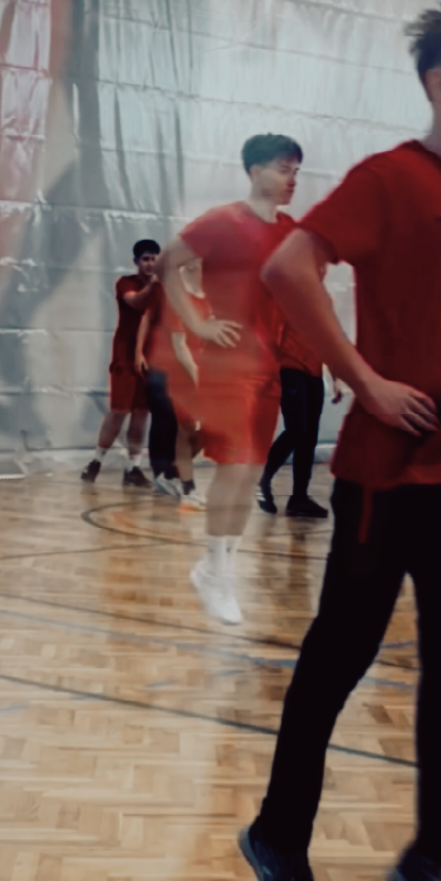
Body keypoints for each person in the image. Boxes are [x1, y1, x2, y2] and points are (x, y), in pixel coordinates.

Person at [237, 0, 441, 881]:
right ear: (439, 84)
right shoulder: (386, 179)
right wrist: (363, 380)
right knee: (337, 660)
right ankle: (278, 836)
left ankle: (435, 857)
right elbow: (288, 268)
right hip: (384, 476)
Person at [155, 133, 303, 624]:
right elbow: (167, 263)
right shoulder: (222, 221)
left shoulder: (291, 231)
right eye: (283, 168)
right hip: (227, 363)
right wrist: (197, 325)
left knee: (252, 472)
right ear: (256, 171)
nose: (292, 179)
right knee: (234, 466)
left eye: (296, 171)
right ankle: (216, 572)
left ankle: (218, 571)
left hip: (269, 366)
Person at [258, 291, 343, 519]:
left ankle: (299, 498)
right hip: (289, 367)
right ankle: (262, 475)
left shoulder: (324, 298)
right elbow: (268, 334)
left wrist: (335, 378)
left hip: (314, 373)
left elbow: (329, 339)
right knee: (297, 429)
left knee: (309, 437)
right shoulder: (284, 291)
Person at [80, 240, 157, 490]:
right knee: (119, 411)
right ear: (136, 262)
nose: (150, 263)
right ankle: (95, 461)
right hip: (125, 356)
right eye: (146, 259)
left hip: (151, 357)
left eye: (154, 259)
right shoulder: (126, 283)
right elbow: (136, 303)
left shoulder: (164, 287)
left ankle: (132, 467)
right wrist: (156, 284)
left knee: (141, 414)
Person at [134, 271, 205, 509]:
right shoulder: (168, 293)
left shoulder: (205, 297)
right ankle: (164, 476)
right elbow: (148, 318)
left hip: (190, 368)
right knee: (166, 420)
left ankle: (175, 471)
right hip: (165, 366)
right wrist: (139, 352)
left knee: (193, 429)